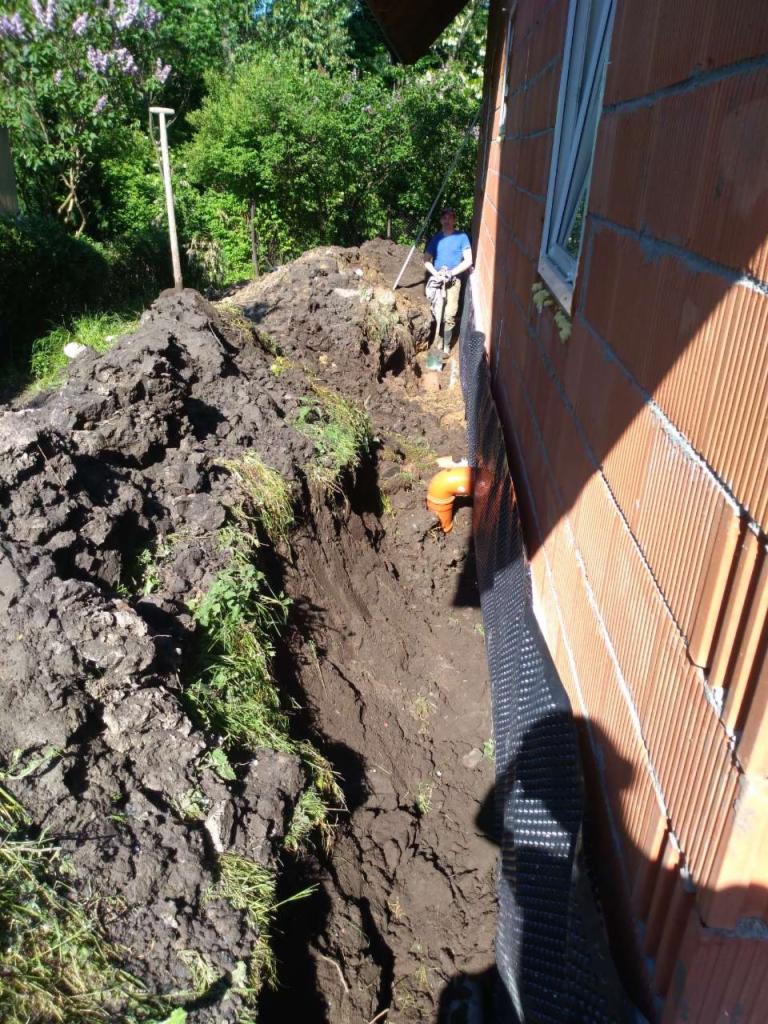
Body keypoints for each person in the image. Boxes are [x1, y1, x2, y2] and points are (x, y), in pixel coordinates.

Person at [424, 206, 473, 357]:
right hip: (439, 280)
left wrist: (451, 273)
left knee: (450, 315)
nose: (447, 220)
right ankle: (437, 342)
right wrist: (437, 274)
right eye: (444, 217)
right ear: (440, 220)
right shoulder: (437, 238)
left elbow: (468, 260)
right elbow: (426, 260)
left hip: (453, 280)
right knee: (437, 313)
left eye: (450, 217)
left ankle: (445, 346)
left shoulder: (462, 237)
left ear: (454, 220)